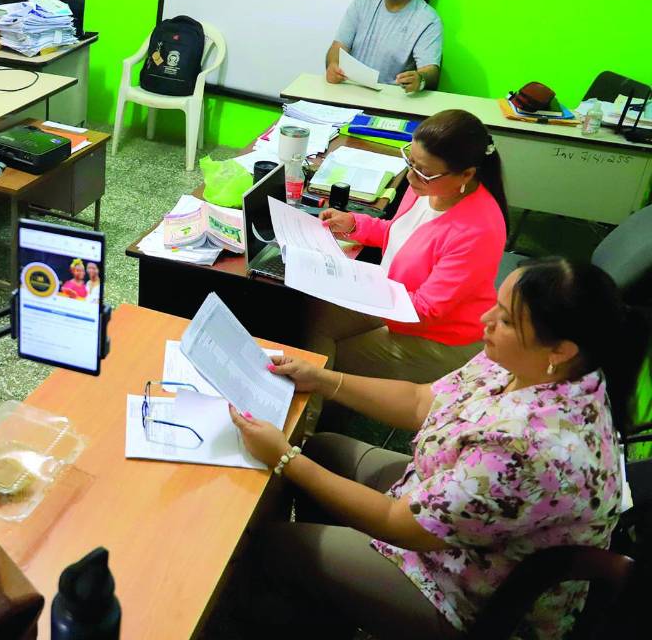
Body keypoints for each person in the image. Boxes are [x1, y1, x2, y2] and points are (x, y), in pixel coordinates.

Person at [230, 258, 641, 640]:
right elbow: (421, 401)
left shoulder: (531, 448)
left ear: (561, 350)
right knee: (323, 450)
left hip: (464, 591)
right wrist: (324, 380)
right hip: (447, 511)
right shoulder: (532, 363)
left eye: (506, 320)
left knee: (272, 546)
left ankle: (306, 599)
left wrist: (285, 457)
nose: (486, 320)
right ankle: (325, 606)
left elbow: (397, 522)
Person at [308, 109, 507, 383]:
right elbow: (402, 235)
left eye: (423, 171)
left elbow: (426, 311)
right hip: (393, 300)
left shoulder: (477, 231)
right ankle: (308, 413)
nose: (412, 177)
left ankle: (307, 421)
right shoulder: (428, 187)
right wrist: (354, 224)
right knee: (312, 317)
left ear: (466, 175)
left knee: (333, 357)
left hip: (436, 335)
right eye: (410, 162)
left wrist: (361, 288)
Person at [325, 0, 442, 93]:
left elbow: (430, 70)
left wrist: (420, 78)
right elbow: (338, 47)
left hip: (391, 98)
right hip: (349, 89)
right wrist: (333, 65)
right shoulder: (361, 5)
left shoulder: (428, 20)